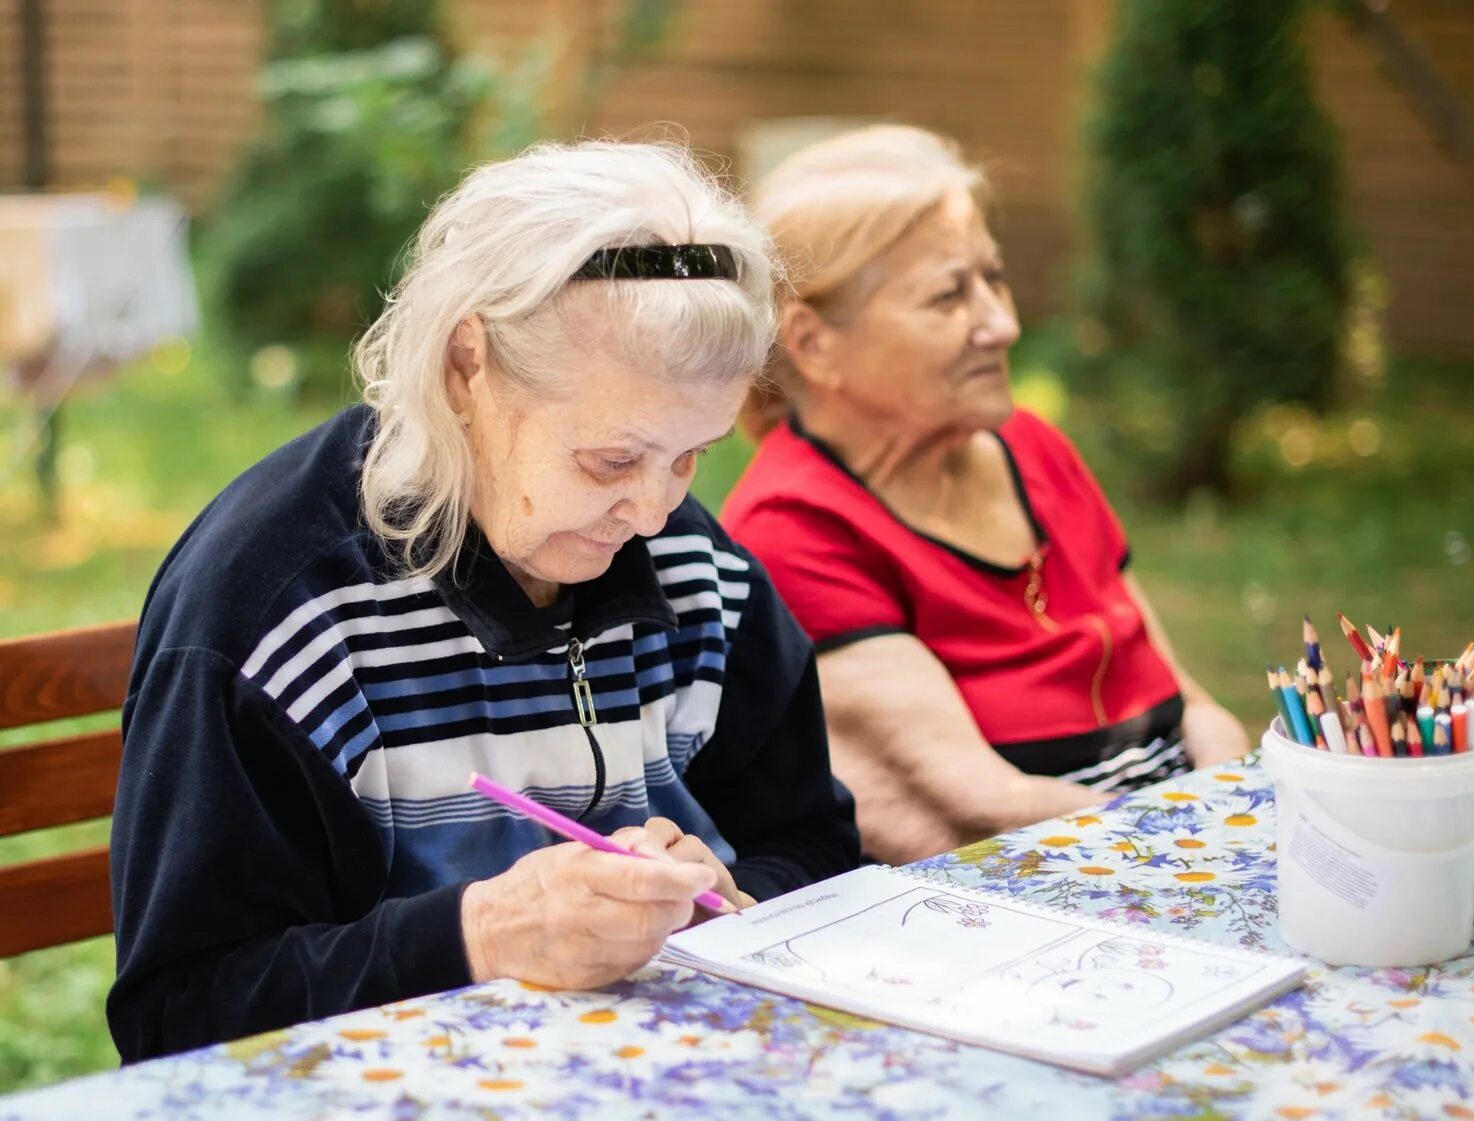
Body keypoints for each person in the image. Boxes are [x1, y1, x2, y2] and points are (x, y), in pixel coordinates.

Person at [108, 141, 860, 1061]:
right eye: (612, 460)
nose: (658, 508)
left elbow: (814, 841)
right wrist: (479, 934)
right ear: (468, 366)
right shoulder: (278, 614)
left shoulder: (696, 570)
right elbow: (180, 1012)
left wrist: (730, 886)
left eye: (693, 453)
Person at [721, 125, 1248, 865]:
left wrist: (1237, 795)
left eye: (992, 279)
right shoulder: (796, 527)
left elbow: (1183, 693)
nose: (1003, 324)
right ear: (812, 343)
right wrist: (1201, 839)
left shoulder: (1033, 447)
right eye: (948, 297)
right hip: (1055, 869)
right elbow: (979, 802)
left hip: (1176, 823)